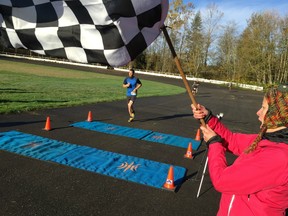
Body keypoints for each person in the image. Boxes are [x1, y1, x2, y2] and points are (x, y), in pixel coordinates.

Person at [191, 84, 288, 216]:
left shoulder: (279, 158)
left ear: (278, 115)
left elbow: (222, 180)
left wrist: (214, 144)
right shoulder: (268, 140)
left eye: (264, 108)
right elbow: (232, 140)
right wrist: (208, 118)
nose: (258, 112)